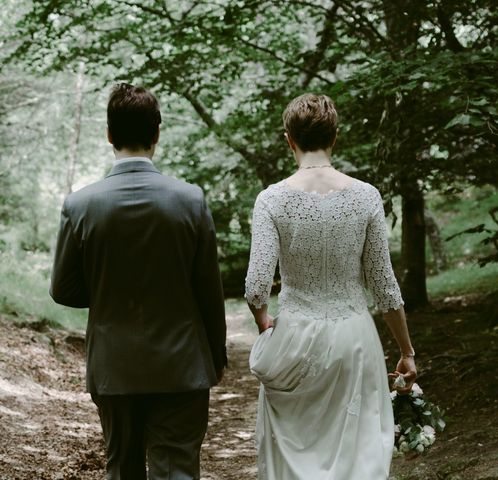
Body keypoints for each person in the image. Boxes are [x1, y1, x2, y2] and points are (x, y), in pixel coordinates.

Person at [50, 83, 227, 480]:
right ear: (157, 133)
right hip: (182, 366)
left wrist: (107, 288)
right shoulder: (190, 200)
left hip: (113, 367)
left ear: (109, 134)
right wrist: (214, 357)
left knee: (123, 470)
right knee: (177, 470)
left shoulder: (80, 205)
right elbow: (208, 291)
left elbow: (63, 289)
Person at [245, 93, 417, 479]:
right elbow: (385, 287)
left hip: (296, 340)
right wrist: (406, 351)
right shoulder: (366, 196)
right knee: (357, 455)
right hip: (353, 339)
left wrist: (263, 321)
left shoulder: (271, 200)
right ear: (334, 137)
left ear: (289, 139)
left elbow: (257, 286)